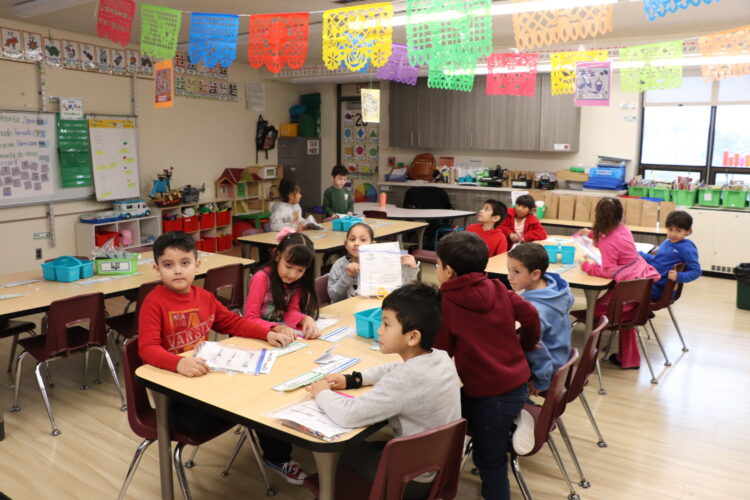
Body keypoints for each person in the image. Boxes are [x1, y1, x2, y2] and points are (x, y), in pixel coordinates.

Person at [138, 231, 308, 484]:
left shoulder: (204, 297)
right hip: (177, 400)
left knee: (264, 391)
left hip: (205, 384)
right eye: (168, 265)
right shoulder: (154, 302)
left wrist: (267, 332)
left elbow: (233, 323)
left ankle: (277, 456)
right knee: (255, 400)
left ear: (197, 265)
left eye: (185, 263)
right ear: (156, 269)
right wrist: (179, 362)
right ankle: (276, 453)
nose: (178, 270)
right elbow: (147, 348)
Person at [307, 282, 461, 499]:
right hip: (436, 468)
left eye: (387, 324)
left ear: (412, 337)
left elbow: (349, 414)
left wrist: (322, 392)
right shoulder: (440, 357)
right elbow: (395, 368)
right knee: (370, 444)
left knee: (342, 450)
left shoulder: (404, 380)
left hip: (408, 481)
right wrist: (354, 379)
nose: (379, 330)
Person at [434, 231, 540, 500]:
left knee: (490, 461)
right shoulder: (498, 287)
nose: (435, 270)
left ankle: (508, 432)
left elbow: (441, 353)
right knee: (463, 416)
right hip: (515, 384)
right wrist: (525, 346)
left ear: (449, 270)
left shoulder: (448, 302)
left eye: (436, 265)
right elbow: (531, 315)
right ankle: (512, 423)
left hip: (490, 396)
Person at [578, 197, 659, 369]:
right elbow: (610, 237)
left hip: (627, 285)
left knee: (593, 311)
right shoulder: (623, 228)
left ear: (598, 216)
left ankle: (590, 358)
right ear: (619, 215)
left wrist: (587, 267)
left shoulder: (608, 242)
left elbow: (608, 271)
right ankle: (629, 358)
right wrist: (591, 234)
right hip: (639, 281)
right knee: (623, 313)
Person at [507, 242, 574, 393]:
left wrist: (541, 382)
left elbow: (537, 351)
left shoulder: (535, 311)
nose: (509, 276)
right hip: (561, 358)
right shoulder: (556, 289)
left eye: (516, 271)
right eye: (509, 269)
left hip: (549, 370)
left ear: (535, 274)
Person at [244, 230, 321, 339]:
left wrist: (305, 319)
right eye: (288, 267)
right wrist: (277, 328)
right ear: (277, 255)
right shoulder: (261, 278)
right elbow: (250, 318)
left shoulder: (297, 282)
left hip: (279, 337)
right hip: (258, 335)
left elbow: (290, 310)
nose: (292, 274)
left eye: (300, 270)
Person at [327, 222, 418, 303]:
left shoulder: (384, 262)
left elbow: (403, 292)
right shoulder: (339, 265)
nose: (357, 243)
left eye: (363, 240)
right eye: (352, 239)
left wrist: (411, 269)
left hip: (377, 307)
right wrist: (347, 276)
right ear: (346, 244)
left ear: (372, 244)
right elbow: (334, 297)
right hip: (346, 310)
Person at [638, 210, 701, 301]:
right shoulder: (667, 242)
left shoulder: (687, 248)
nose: (673, 234)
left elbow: (696, 271)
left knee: (625, 288)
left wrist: (679, 276)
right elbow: (657, 261)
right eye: (670, 229)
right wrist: (640, 254)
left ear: (688, 231)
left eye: (678, 230)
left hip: (662, 290)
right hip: (653, 280)